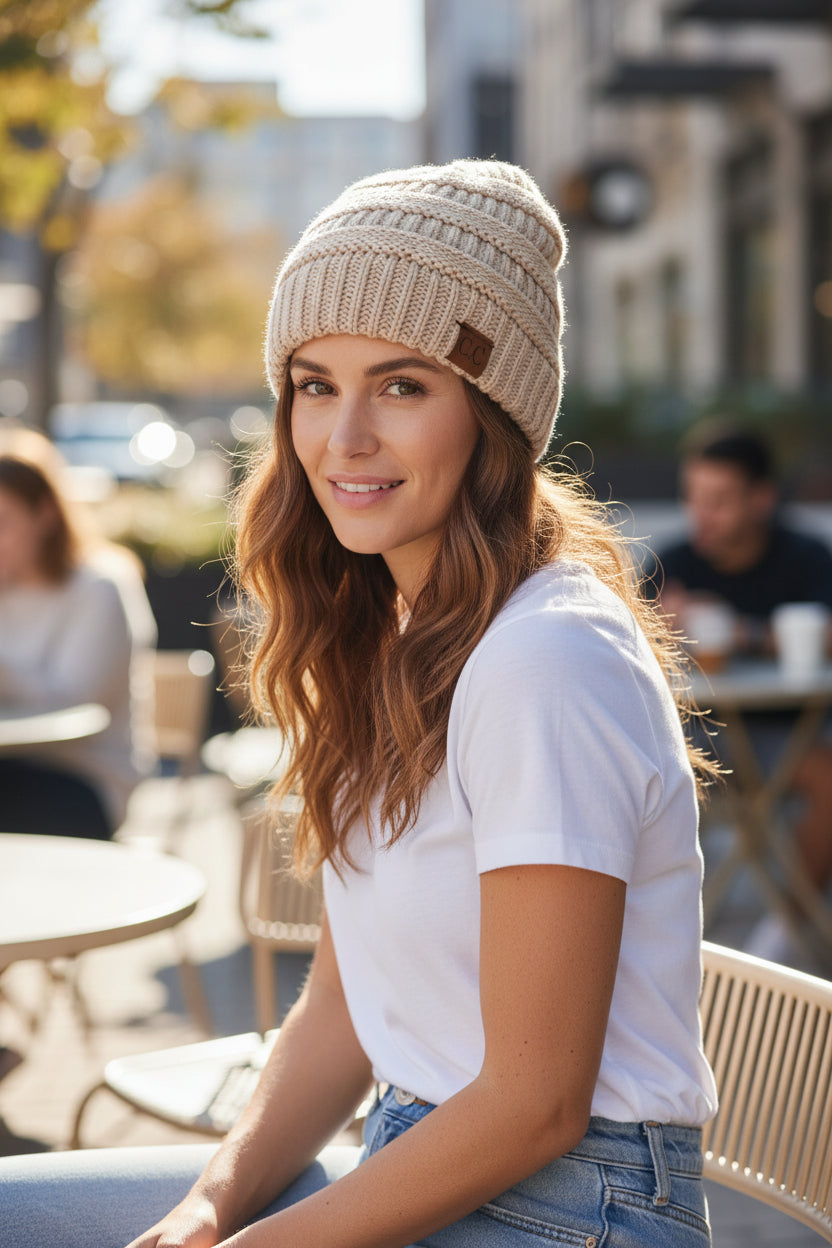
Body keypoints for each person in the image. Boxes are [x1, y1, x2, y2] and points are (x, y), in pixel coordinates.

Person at [0, 160, 718, 1247]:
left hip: (574, 1209)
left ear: (492, 412)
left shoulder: (547, 662)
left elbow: (536, 1104)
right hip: (417, 1148)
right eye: (313, 383)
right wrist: (210, 1205)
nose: (343, 440)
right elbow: (338, 1013)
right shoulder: (394, 637)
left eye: (401, 385)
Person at [655, 421, 832, 962]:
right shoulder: (674, 563)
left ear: (761, 499)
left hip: (788, 734)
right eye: (694, 498)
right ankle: (668, 942)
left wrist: (743, 632)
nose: (701, 515)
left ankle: (781, 933)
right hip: (699, 732)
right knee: (642, 773)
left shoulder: (803, 556)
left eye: (719, 500)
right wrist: (655, 625)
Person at [0, 431, 157, 838]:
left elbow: (77, 703)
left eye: (3, 522)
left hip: (90, 780)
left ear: (46, 514)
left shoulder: (101, 585)